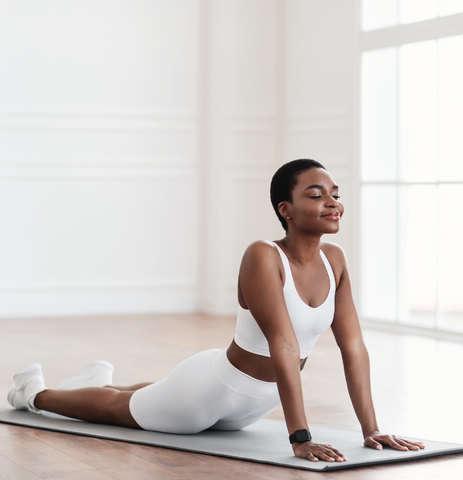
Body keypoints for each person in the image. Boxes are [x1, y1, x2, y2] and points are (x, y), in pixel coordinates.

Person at [8, 159, 424, 463]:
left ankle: (96, 381)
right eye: (315, 195)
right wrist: (299, 436)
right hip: (208, 393)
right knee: (118, 412)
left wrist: (372, 430)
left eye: (335, 194)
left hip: (248, 409)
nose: (332, 202)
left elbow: (355, 349)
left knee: (148, 395)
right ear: (286, 210)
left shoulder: (335, 259)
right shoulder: (263, 255)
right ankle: (33, 393)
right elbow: (282, 342)